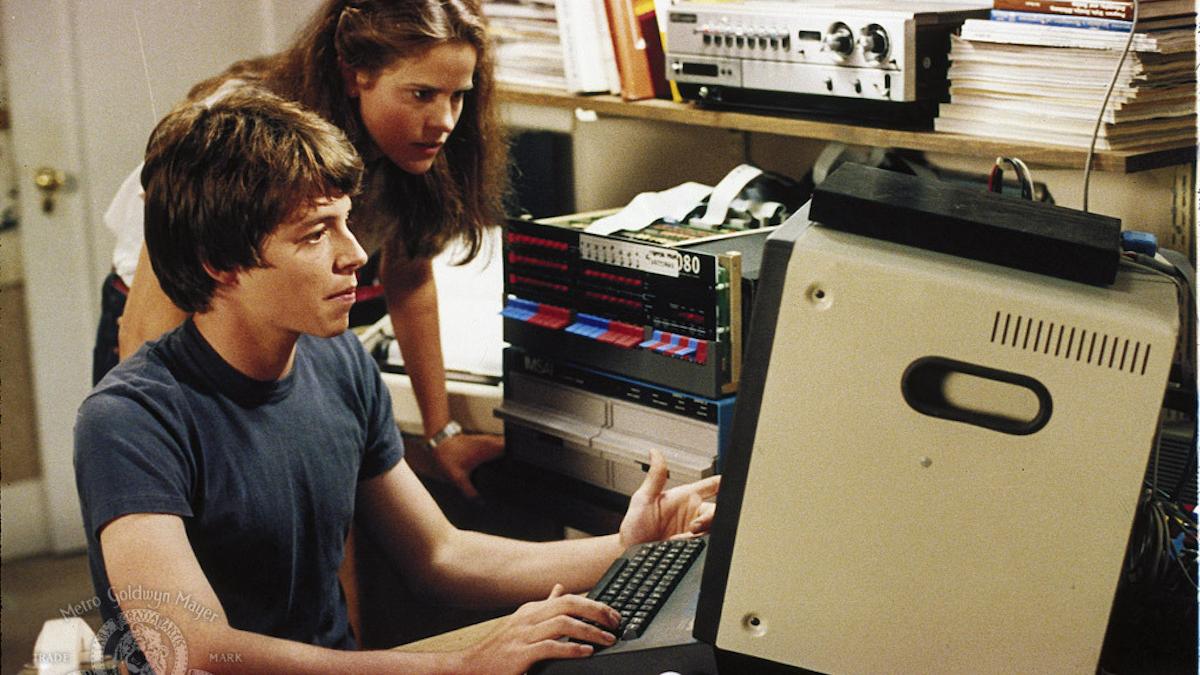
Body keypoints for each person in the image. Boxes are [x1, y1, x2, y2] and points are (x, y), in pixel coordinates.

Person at [75, 88, 718, 675]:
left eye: (347, 221)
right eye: (315, 233)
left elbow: (441, 556)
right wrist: (459, 667)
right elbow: (190, 652)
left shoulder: (339, 364)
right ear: (220, 263)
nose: (354, 253)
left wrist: (629, 545)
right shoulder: (130, 420)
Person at [94, 0, 507, 499]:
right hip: (174, 315)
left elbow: (412, 279)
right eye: (422, 94)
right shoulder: (237, 130)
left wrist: (441, 433)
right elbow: (147, 327)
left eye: (457, 97)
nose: (444, 120)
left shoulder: (416, 147)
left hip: (275, 315)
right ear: (354, 74)